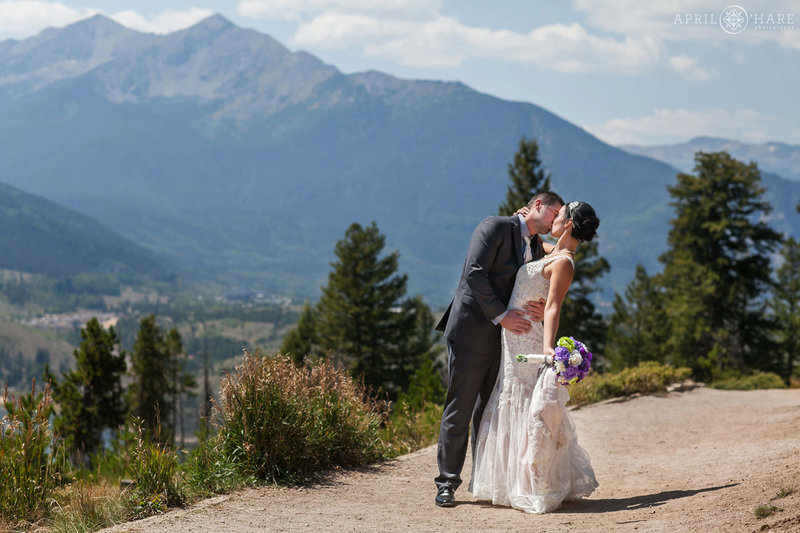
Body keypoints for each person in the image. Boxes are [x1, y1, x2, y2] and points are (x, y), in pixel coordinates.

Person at [434, 191, 565, 507]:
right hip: (471, 332)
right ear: (537, 205)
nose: (555, 219)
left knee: (489, 412)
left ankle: (484, 481)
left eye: (561, 216)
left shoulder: (534, 245)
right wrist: (502, 315)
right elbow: (474, 273)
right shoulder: (493, 226)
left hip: (507, 344)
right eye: (554, 212)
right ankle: (446, 484)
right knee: (460, 408)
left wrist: (539, 306)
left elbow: (562, 259)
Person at [470, 200, 600, 513]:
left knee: (526, 404)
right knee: (512, 399)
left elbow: (554, 305)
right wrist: (522, 217)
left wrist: (547, 346)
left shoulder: (565, 261)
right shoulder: (551, 250)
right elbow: (529, 238)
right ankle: (513, 480)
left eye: (560, 214)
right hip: (514, 334)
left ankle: (531, 483)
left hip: (527, 335)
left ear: (568, 224)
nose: (553, 217)